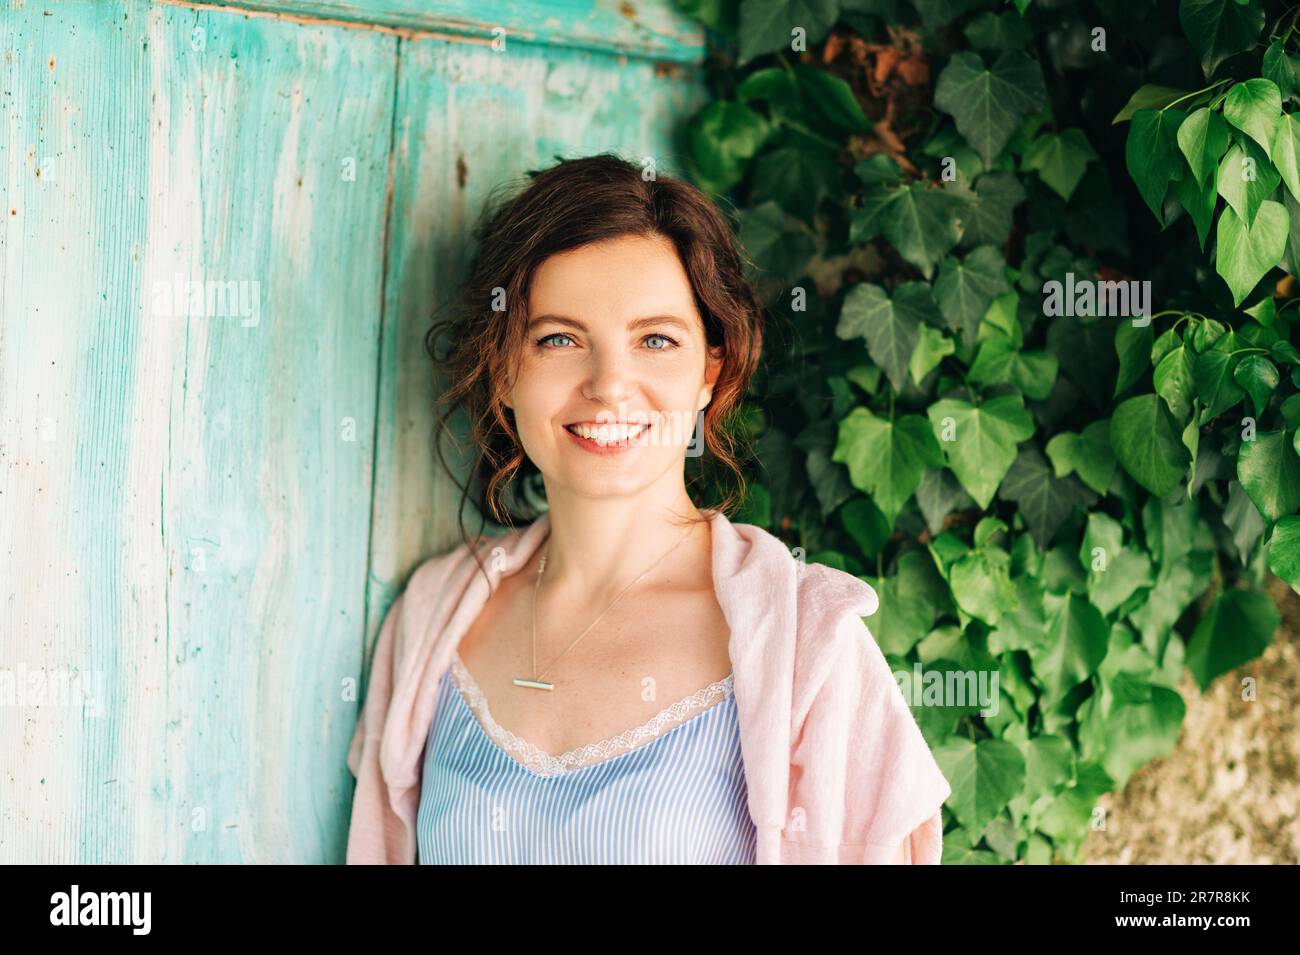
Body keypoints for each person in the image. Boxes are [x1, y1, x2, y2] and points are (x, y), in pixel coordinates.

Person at [345, 153, 950, 864]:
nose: (609, 386)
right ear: (504, 368)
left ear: (709, 370)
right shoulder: (434, 616)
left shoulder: (807, 647)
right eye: (560, 339)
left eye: (655, 340)